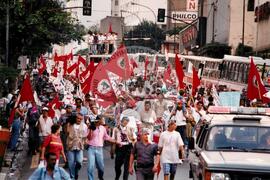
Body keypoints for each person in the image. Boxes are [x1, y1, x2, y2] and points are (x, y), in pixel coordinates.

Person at [86, 115, 119, 180]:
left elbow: (106, 137)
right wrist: (91, 129)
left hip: (99, 149)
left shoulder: (103, 128)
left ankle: (100, 177)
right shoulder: (91, 127)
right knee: (90, 167)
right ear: (98, 120)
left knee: (101, 167)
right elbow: (89, 138)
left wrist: (116, 141)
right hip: (91, 148)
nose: (103, 121)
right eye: (102, 119)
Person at [66, 113, 88, 180]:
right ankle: (72, 177)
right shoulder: (71, 124)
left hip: (79, 146)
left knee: (79, 161)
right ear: (75, 118)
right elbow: (67, 132)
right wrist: (68, 125)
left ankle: (76, 171)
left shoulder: (84, 126)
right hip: (71, 145)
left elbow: (85, 136)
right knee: (71, 163)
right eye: (78, 118)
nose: (79, 120)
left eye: (80, 119)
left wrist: (85, 142)